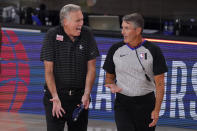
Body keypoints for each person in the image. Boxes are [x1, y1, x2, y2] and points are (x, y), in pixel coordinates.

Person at [103, 13, 168, 131]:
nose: (122, 32)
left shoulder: (154, 50)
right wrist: (111, 84)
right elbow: (109, 77)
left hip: (146, 103)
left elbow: (160, 84)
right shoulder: (115, 49)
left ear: (138, 30)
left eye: (126, 28)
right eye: (122, 28)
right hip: (123, 103)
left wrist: (156, 110)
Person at [40, 4, 100, 131]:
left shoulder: (87, 34)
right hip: (56, 98)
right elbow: (49, 71)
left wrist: (86, 94)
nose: (81, 23)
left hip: (79, 98)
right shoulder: (52, 35)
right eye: (77, 20)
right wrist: (55, 97)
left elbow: (92, 68)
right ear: (65, 21)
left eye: (82, 19)